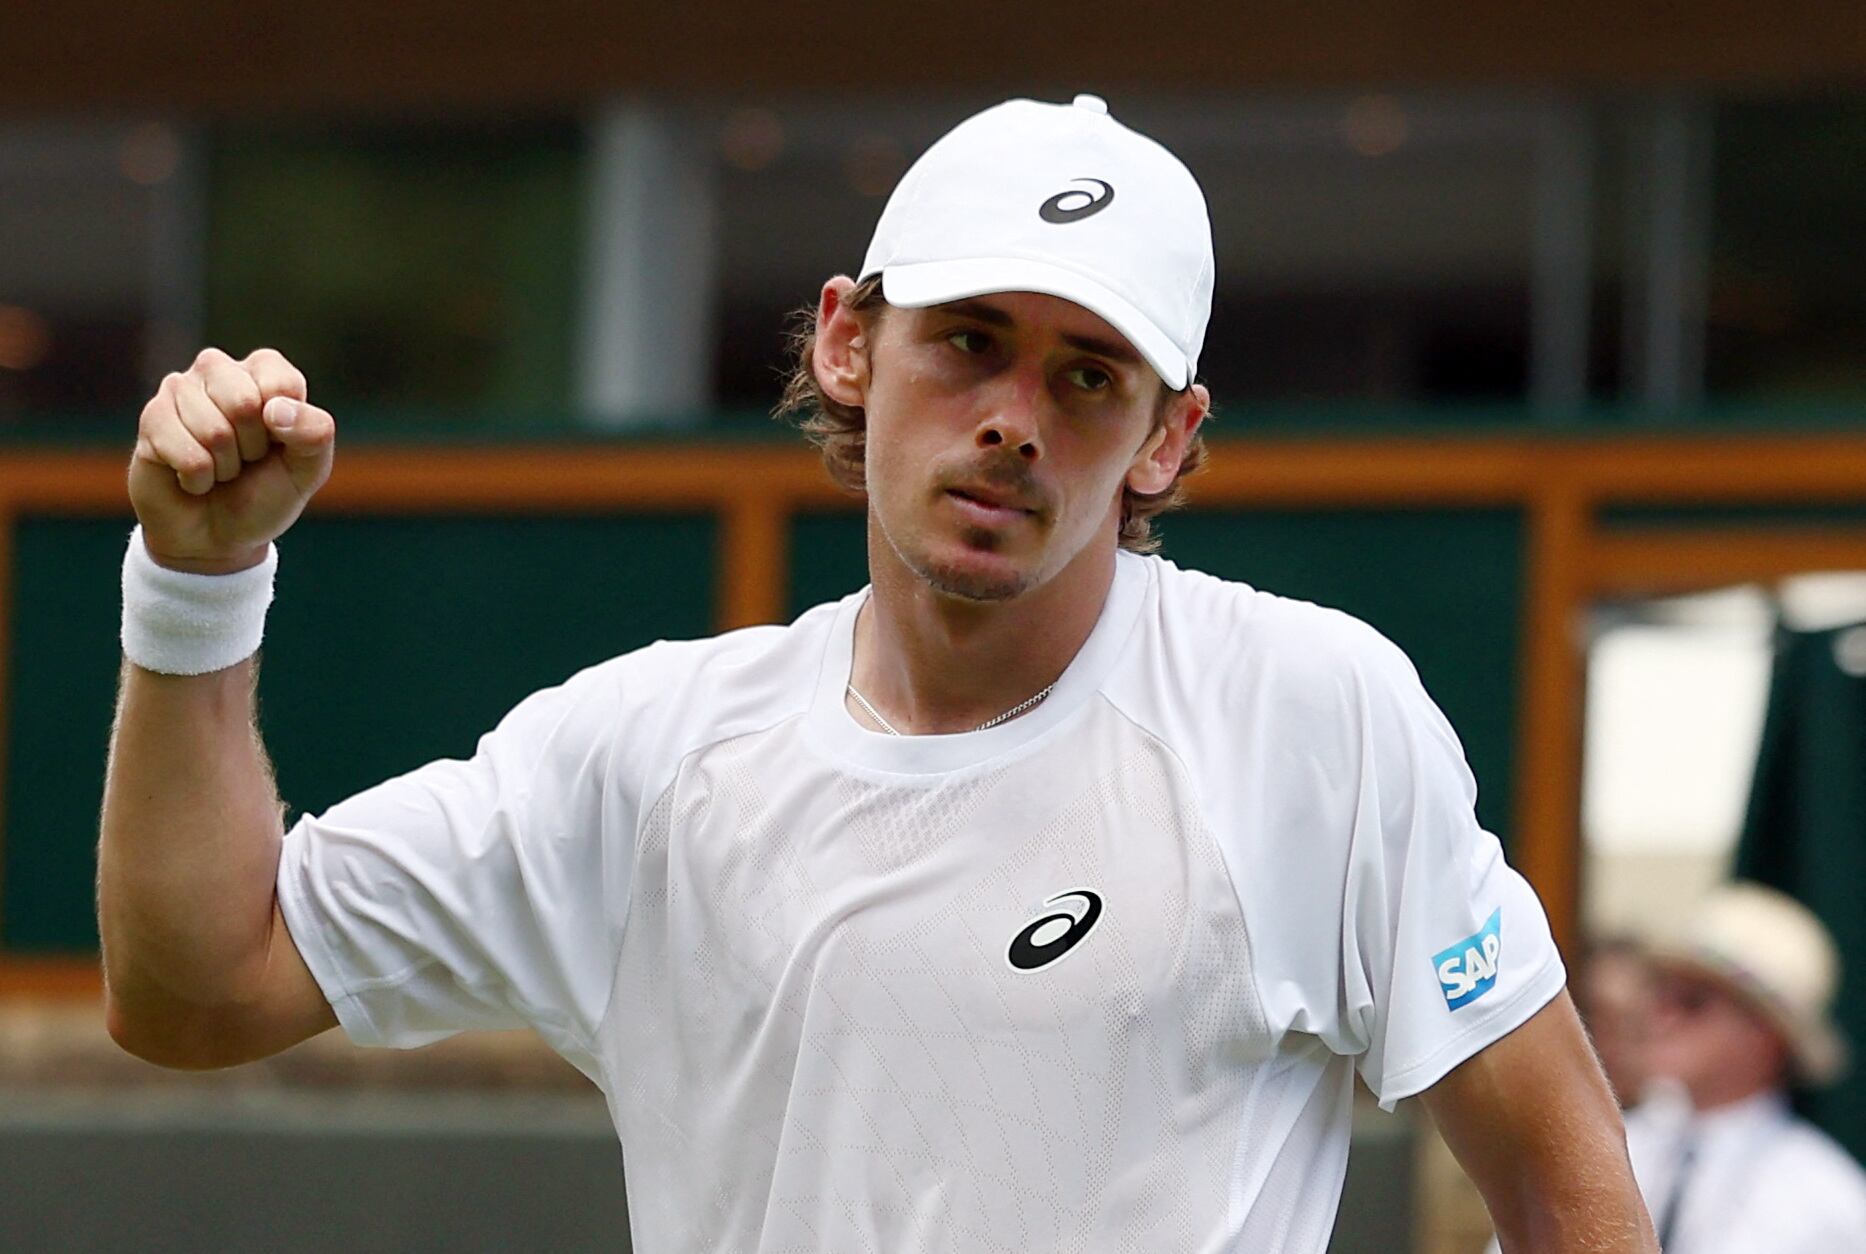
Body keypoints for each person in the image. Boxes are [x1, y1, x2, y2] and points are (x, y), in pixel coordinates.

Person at [98, 95, 1655, 1251]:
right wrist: (196, 584)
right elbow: (196, 987)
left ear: (1165, 437)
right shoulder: (645, 753)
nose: (1015, 418)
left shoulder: (1311, 712)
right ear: (849, 342)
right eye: (969, 340)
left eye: (1086, 374)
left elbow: (1562, 1181)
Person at [1628, 882, 1866, 1252]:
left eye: (1692, 1001)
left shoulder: (1827, 1202)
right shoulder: (1614, 1147)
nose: (1662, 1016)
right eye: (1661, 992)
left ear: (1764, 1033)